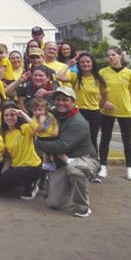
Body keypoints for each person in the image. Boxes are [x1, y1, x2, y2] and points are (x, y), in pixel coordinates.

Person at [35, 86, 99, 218]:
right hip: (63, 163)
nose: (60, 103)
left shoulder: (78, 122)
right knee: (54, 203)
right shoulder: (54, 113)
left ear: (73, 101)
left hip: (84, 159)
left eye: (65, 100)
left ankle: (83, 207)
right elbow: (38, 106)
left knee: (75, 170)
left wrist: (37, 142)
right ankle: (72, 187)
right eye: (57, 99)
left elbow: (61, 146)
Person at [98, 47, 131, 182]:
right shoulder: (102, 73)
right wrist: (104, 103)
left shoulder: (130, 73)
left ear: (120, 56)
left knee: (127, 140)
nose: (111, 57)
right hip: (106, 111)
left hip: (125, 112)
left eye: (114, 55)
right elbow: (97, 92)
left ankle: (129, 168)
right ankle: (103, 166)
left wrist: (125, 103)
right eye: (108, 55)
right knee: (105, 138)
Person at [57, 52, 107, 155]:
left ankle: (93, 163)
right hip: (78, 113)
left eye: (88, 62)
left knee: (92, 139)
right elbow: (59, 76)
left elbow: (105, 95)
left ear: (92, 63)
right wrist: (69, 65)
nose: (85, 64)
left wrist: (98, 107)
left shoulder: (99, 79)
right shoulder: (75, 77)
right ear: (79, 64)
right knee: (76, 139)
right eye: (82, 62)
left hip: (94, 113)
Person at [0, 103, 42, 200]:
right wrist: (3, 173)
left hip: (32, 166)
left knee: (12, 176)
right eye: (6, 115)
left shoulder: (25, 128)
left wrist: (23, 114)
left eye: (12, 115)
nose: (9, 118)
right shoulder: (4, 134)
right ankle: (25, 182)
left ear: (17, 116)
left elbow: (39, 129)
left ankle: (32, 183)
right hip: (16, 166)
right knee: (0, 186)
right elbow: (8, 157)